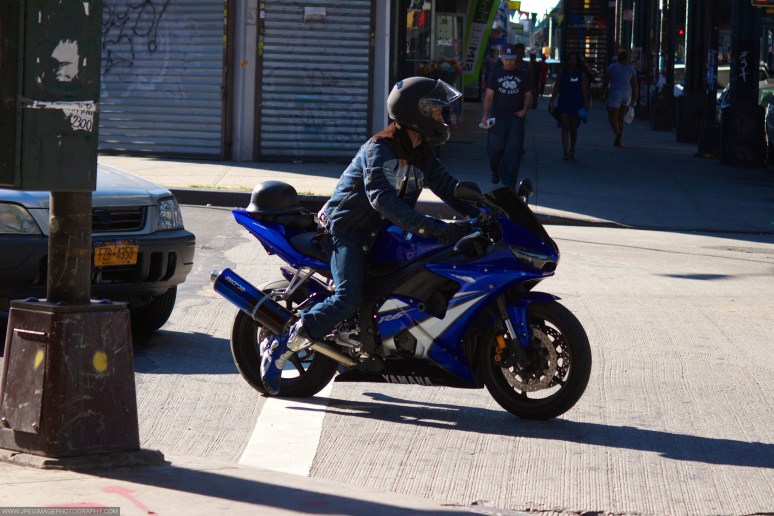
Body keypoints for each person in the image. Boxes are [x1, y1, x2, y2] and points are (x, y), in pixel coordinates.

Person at [260, 77, 479, 395]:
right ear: (416, 112)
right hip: (348, 230)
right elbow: (381, 198)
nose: (441, 116)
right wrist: (432, 227)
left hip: (383, 233)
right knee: (348, 297)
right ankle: (282, 345)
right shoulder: (380, 148)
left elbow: (450, 188)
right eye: (435, 110)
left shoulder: (422, 152)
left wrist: (485, 211)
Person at [480, 42, 533, 188]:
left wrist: (524, 110)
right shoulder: (495, 75)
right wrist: (485, 115)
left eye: (511, 59)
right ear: (501, 58)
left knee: (514, 150)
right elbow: (489, 97)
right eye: (506, 58)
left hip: (516, 117)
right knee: (494, 149)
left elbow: (528, 95)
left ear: (516, 58)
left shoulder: (523, 75)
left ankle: (510, 181)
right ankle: (495, 170)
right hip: (498, 117)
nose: (509, 62)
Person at [548, 53, 590, 161]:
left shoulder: (581, 74)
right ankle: (565, 152)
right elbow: (557, 87)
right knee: (565, 127)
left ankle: (572, 148)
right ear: (567, 61)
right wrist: (552, 101)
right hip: (564, 102)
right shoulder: (562, 73)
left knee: (574, 128)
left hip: (577, 103)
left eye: (574, 59)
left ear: (577, 61)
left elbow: (584, 89)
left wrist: (586, 102)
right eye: (570, 59)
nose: (572, 62)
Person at [602, 50, 638, 147]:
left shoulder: (612, 67)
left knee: (612, 118)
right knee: (620, 118)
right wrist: (634, 99)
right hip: (627, 94)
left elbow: (605, 81)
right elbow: (635, 86)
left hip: (615, 93)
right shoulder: (631, 69)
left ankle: (617, 133)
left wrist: (603, 92)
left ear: (618, 58)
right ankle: (619, 140)